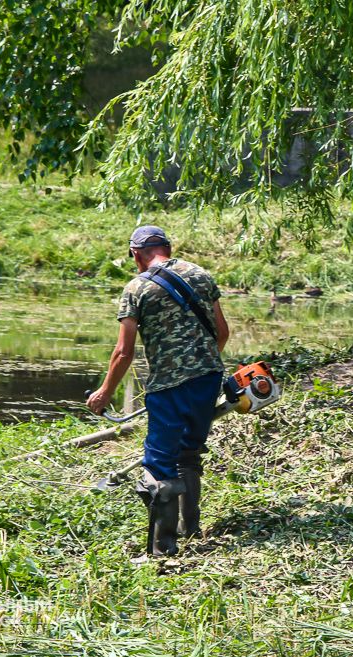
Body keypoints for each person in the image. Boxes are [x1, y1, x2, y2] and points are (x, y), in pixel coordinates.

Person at [87, 226, 230, 556]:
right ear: (167, 247)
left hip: (168, 387)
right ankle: (191, 528)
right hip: (209, 378)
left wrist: (106, 392)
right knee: (189, 453)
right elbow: (221, 332)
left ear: (136, 254)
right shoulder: (201, 275)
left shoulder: (136, 288)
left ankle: (162, 550)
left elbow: (124, 352)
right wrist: (202, 367)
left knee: (159, 466)